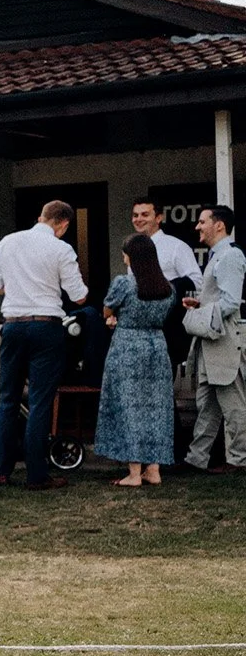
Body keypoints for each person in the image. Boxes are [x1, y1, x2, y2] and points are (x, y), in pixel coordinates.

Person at [0, 200, 88, 490]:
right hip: (46, 325)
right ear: (63, 224)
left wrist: (17, 285)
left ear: (41, 217)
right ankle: (36, 474)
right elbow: (78, 296)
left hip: (13, 325)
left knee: (8, 398)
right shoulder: (61, 249)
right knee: (40, 401)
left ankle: (1, 470)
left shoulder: (6, 243)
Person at [96, 234, 179, 487]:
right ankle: (154, 469)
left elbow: (107, 309)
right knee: (157, 408)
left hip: (128, 346)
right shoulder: (168, 288)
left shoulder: (124, 283)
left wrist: (115, 317)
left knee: (130, 406)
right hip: (156, 346)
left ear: (131, 256)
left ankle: (134, 472)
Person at [184, 205, 246, 474]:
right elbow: (220, 299)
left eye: (202, 221)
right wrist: (200, 304)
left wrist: (201, 315)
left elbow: (231, 302)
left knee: (233, 404)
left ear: (219, 225)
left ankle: (239, 460)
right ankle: (196, 459)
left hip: (224, 339)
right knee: (207, 404)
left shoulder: (231, 255)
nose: (197, 226)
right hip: (211, 340)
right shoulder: (217, 256)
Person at [133, 198, 200, 370]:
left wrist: (167, 289)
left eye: (144, 214)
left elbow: (196, 282)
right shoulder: (133, 249)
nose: (138, 219)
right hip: (141, 325)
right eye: (135, 215)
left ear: (158, 218)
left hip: (168, 325)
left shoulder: (176, 247)